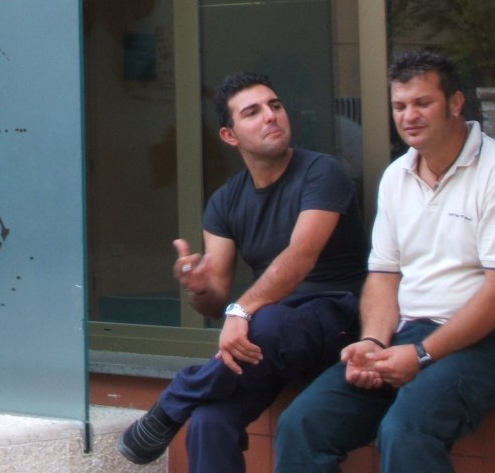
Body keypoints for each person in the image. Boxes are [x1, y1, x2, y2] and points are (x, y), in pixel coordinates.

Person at [118, 71, 367, 470]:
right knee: (207, 420)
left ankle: (176, 397)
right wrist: (198, 288)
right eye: (252, 112)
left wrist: (241, 311)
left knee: (264, 323)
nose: (270, 116)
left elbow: (299, 258)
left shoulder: (322, 172)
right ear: (230, 136)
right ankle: (188, 404)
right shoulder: (224, 202)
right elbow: (214, 301)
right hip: (272, 339)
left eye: (275, 106)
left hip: (339, 321)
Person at [275, 51, 495, 471]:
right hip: (406, 338)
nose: (408, 115)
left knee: (407, 430)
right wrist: (374, 342)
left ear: (455, 103)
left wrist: (423, 355)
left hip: (480, 343)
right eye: (399, 106)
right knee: (302, 423)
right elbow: (382, 277)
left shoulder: (491, 171)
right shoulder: (396, 176)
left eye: (421, 103)